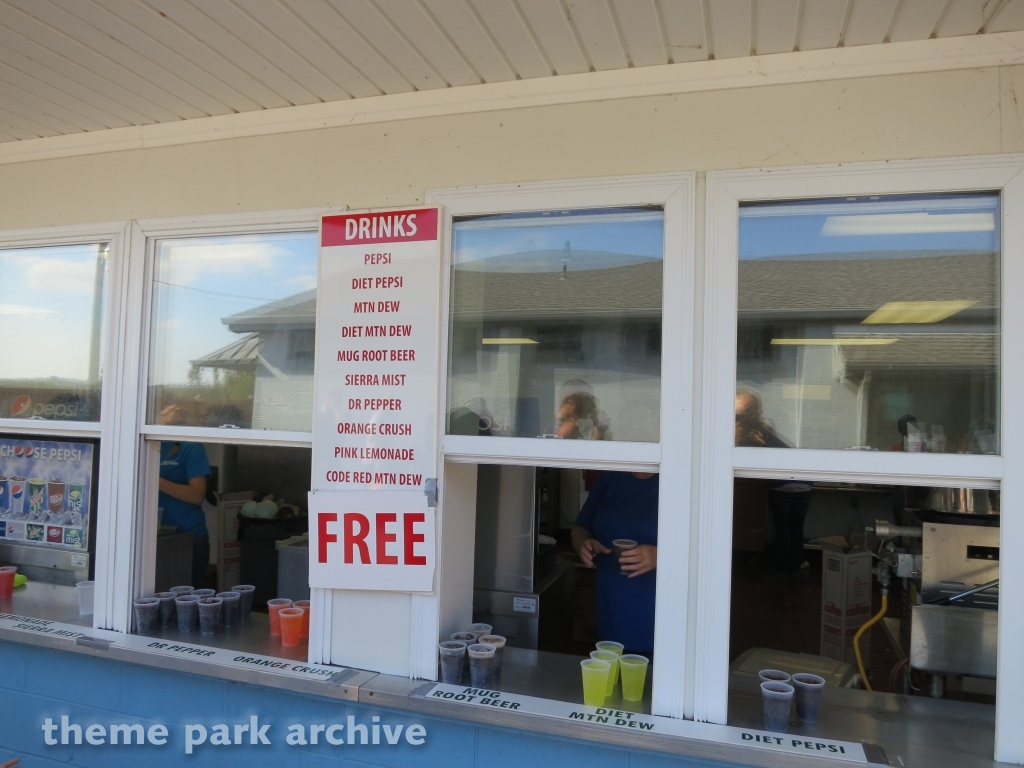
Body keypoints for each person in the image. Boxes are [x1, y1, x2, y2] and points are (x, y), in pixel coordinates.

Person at [572, 471, 658, 653]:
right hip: (613, 607)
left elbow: (704, 543)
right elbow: (581, 527)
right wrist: (584, 544)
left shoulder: (677, 479)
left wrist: (659, 555)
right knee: (614, 674)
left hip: (659, 616)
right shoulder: (611, 478)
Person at [734, 390, 811, 574]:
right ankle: (796, 565)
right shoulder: (766, 431)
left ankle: (781, 568)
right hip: (805, 483)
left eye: (738, 416)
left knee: (782, 530)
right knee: (797, 529)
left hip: (781, 485)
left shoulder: (754, 433)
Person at [156, 404, 211, 588]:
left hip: (188, 536)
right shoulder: (149, 442)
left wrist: (157, 482)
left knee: (188, 596)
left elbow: (197, 495)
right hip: (154, 535)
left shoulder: (191, 448)